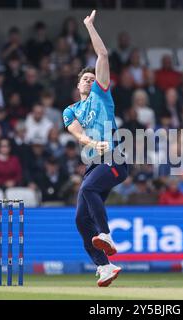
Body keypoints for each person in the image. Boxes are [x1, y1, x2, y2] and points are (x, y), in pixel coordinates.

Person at [62, 11, 127, 287]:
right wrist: (91, 143)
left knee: (88, 190)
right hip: (94, 162)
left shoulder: (102, 94)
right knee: (79, 220)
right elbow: (75, 132)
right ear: (77, 85)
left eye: (92, 78)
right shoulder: (71, 110)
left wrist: (89, 26)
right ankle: (105, 267)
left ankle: (107, 235)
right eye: (84, 79)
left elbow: (102, 56)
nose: (89, 80)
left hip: (114, 158)